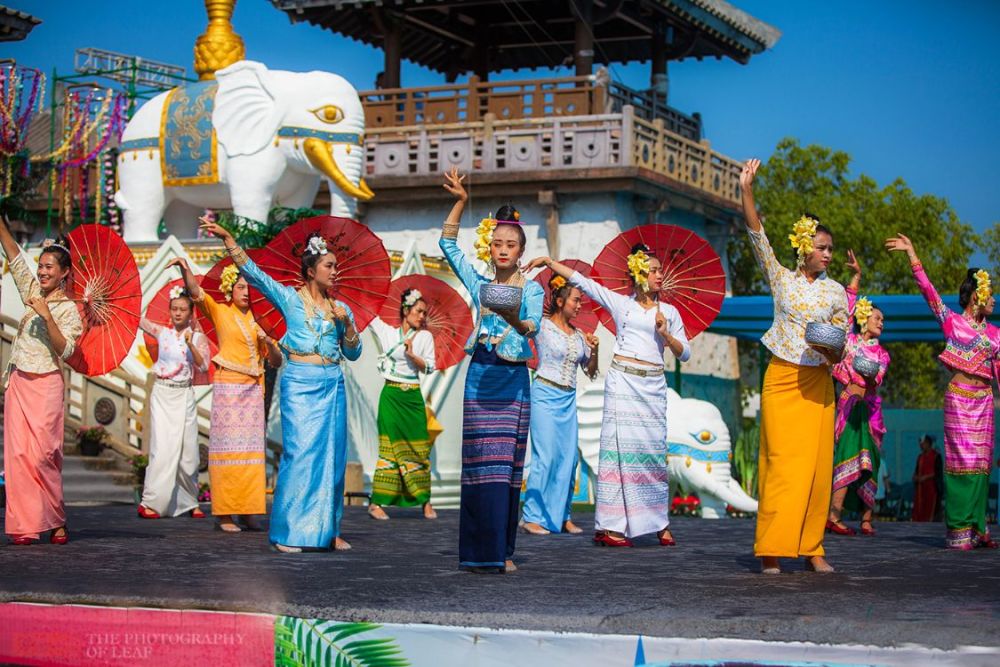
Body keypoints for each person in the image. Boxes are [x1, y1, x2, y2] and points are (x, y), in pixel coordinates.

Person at [200, 219, 362, 553]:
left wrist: (347, 328)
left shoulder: (341, 309)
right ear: (311, 270)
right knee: (300, 455)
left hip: (332, 383)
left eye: (335, 266)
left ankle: (329, 530)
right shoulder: (289, 299)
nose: (335, 272)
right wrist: (230, 240)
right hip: (300, 383)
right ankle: (289, 532)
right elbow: (255, 274)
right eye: (329, 266)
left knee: (332, 458)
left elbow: (354, 352)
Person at [525, 247, 690, 548]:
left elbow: (686, 353)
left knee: (652, 453)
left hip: (653, 385)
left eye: (659, 270)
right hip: (623, 382)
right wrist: (550, 262)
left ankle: (658, 521)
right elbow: (585, 283)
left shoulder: (671, 313)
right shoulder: (622, 304)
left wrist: (666, 334)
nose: (659, 274)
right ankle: (611, 526)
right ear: (640, 275)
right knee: (616, 452)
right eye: (653, 270)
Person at [740, 158, 848, 574]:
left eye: (830, 249)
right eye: (821, 248)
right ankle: (771, 548)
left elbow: (841, 344)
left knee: (818, 469)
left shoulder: (837, 292)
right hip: (782, 377)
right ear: (804, 248)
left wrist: (835, 351)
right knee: (781, 465)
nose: (827, 255)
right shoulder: (781, 277)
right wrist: (747, 190)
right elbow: (756, 234)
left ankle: (812, 547)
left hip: (819, 383)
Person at [440, 168, 543, 573]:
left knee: (506, 465)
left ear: (520, 251)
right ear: (490, 247)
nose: (503, 249)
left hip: (513, 375)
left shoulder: (532, 288)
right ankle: (476, 552)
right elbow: (447, 244)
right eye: (498, 243)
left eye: (511, 244)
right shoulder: (479, 279)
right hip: (481, 372)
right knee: (480, 462)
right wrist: (461, 202)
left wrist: (514, 318)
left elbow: (532, 327)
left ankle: (501, 550)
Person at [886, 233, 998, 549]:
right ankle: (959, 529)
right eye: (991, 296)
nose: (993, 301)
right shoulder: (951, 322)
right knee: (962, 460)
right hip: (960, 399)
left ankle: (978, 528)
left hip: (985, 401)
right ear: (977, 294)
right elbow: (928, 291)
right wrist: (912, 253)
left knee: (982, 462)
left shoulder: (995, 334)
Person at [171, 257, 283, 533]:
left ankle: (247, 511)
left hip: (254, 390)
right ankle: (224, 513)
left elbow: (277, 362)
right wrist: (185, 269)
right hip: (228, 389)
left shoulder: (260, 322)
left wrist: (270, 342)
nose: (246, 292)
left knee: (252, 453)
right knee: (227, 451)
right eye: (241, 287)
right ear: (230, 290)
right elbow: (196, 293)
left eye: (249, 288)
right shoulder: (220, 311)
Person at [0, 218, 82, 545]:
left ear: (64, 273)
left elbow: (66, 350)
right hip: (20, 379)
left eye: (49, 267)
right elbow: (14, 255)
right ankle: (25, 524)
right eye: (41, 266)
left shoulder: (70, 310)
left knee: (44, 455)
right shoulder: (32, 290)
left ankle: (56, 517)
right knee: (18, 456)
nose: (42, 271)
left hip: (46, 383)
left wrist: (47, 315)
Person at [520, 276, 599, 536]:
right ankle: (531, 516)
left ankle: (563, 516)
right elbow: (523, 331)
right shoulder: (541, 326)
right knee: (546, 456)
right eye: (576, 300)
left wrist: (594, 350)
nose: (579, 305)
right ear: (560, 300)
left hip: (568, 399)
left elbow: (590, 370)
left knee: (570, 459)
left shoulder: (578, 336)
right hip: (544, 393)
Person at [828, 251, 891, 536]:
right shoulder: (850, 343)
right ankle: (833, 514)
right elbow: (847, 310)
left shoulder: (882, 353)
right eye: (878, 318)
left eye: (883, 320)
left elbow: (876, 377)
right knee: (846, 455)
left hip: (870, 410)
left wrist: (867, 373)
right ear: (865, 320)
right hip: (847, 405)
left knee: (871, 462)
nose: (882, 323)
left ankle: (866, 518)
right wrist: (856, 277)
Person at [137, 287, 211, 520]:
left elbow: (204, 366)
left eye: (183, 310)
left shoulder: (198, 337)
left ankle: (189, 501)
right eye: (175, 309)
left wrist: (190, 344)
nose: (178, 313)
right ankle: (151, 502)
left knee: (189, 452)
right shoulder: (162, 333)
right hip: (162, 393)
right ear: (169, 311)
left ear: (191, 313)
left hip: (184, 394)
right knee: (162, 448)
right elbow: (139, 322)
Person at [367, 287, 439, 520]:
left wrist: (412, 355)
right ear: (406, 310)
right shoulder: (389, 333)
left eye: (424, 313)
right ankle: (377, 503)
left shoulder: (425, 336)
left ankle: (425, 502)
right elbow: (369, 317)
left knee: (418, 449)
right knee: (388, 449)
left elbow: (429, 367)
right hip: (391, 395)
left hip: (413, 397)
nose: (422, 316)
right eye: (418, 311)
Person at [912, 435, 943, 522]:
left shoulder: (936, 456)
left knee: (931, 509)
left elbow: (938, 473)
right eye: (920, 444)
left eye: (923, 444)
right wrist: (915, 477)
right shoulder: (920, 457)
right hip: (921, 489)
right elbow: (917, 470)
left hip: (932, 488)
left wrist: (925, 478)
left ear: (929, 444)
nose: (921, 446)